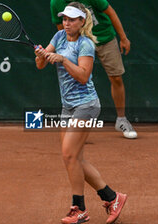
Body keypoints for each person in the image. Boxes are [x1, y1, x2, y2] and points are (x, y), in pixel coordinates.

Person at [35, 2, 127, 224]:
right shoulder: (58, 38)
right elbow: (40, 65)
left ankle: (79, 209)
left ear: (81, 22)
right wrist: (40, 54)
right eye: (64, 19)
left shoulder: (86, 45)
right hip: (67, 106)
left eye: (72, 19)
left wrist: (64, 59)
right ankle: (112, 197)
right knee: (73, 159)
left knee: (69, 155)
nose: (66, 23)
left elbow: (84, 77)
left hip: (86, 105)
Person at [50, 0, 137, 139]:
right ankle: (79, 130)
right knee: (78, 78)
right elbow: (62, 28)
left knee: (116, 77)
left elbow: (110, 12)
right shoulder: (55, 3)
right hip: (77, 42)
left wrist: (123, 37)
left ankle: (121, 119)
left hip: (104, 38)